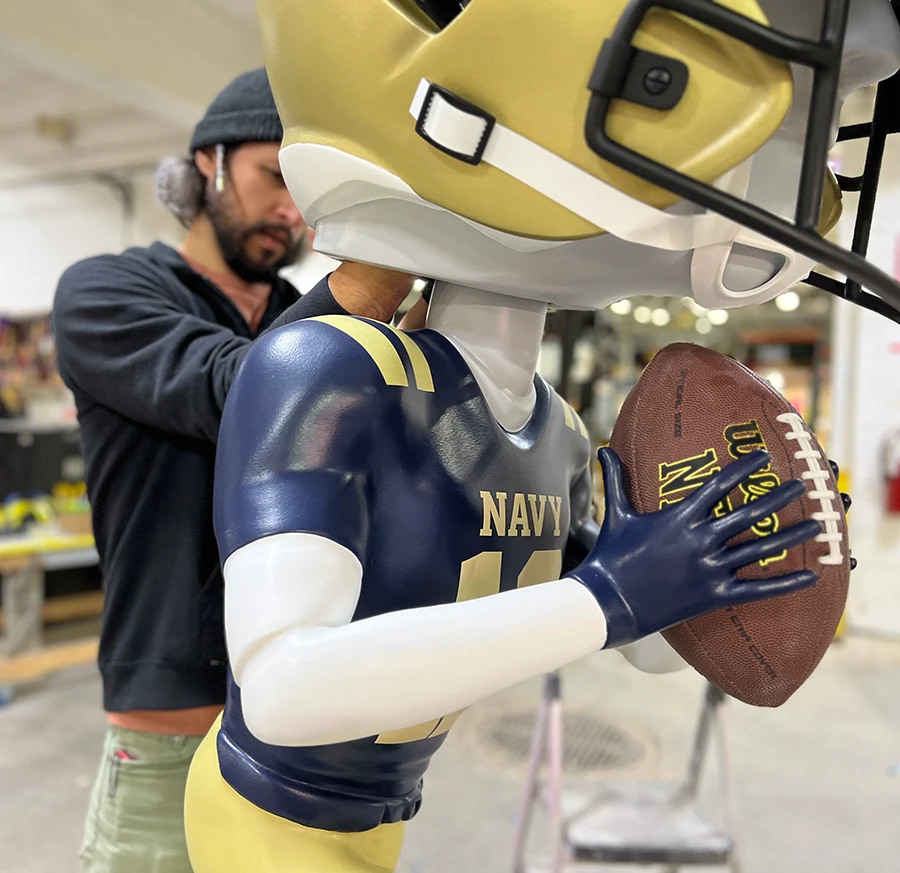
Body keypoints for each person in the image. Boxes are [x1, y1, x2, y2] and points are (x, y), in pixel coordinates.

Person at [182, 0, 884, 870]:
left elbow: (643, 642)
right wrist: (613, 594)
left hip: (382, 812)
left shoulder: (555, 424)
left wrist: (739, 557)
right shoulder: (327, 365)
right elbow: (283, 689)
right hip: (268, 809)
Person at [51, 68, 414, 873]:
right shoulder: (107, 293)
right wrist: (377, 277)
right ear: (208, 164)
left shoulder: (301, 315)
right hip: (176, 725)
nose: (292, 211)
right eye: (275, 176)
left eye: (308, 194)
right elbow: (243, 392)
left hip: (315, 728)